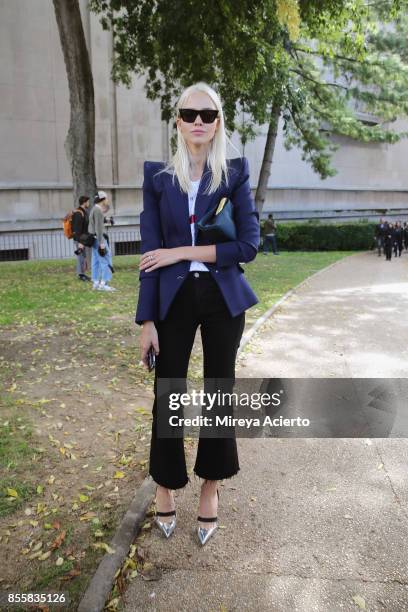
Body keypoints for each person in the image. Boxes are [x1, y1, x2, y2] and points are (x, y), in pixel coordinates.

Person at [135, 82, 260, 546]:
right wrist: (147, 321)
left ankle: (211, 487)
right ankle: (165, 486)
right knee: (167, 393)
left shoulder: (234, 173)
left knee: (217, 393)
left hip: (221, 298)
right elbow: (151, 255)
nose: (199, 122)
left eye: (208, 115)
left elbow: (247, 244)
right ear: (178, 120)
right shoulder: (158, 178)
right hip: (172, 302)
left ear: (219, 121)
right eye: (190, 113)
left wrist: (180, 252)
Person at [88, 191, 116, 292]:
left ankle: (95, 283)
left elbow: (96, 223)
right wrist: (101, 243)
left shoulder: (94, 209)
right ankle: (104, 283)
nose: (107, 200)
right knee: (106, 260)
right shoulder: (98, 210)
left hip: (93, 239)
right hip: (99, 239)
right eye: (106, 198)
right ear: (102, 199)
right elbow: (98, 228)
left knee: (95, 261)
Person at [72, 195, 91, 281]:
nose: (88, 203)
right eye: (88, 202)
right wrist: (80, 242)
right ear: (84, 202)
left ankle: (82, 274)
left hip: (83, 238)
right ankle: (81, 275)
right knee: (80, 256)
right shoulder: (79, 213)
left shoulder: (84, 211)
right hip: (79, 239)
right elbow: (76, 229)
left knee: (83, 256)